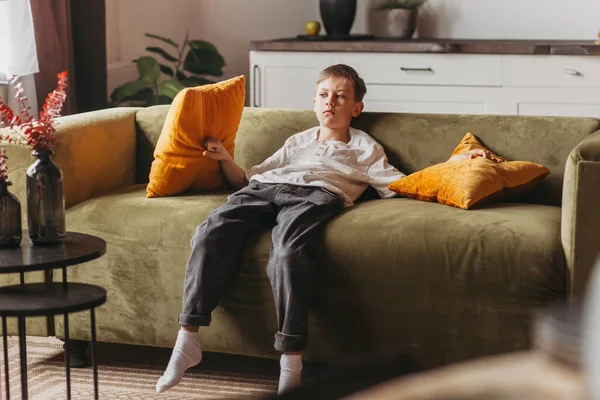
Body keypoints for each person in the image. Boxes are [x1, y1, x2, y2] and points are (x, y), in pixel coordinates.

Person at [155, 64, 489, 395]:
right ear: (314, 102)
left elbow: (402, 183)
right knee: (210, 229)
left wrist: (453, 164)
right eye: (324, 95)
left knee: (287, 253)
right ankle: (188, 338)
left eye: (341, 96)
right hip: (264, 188)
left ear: (356, 108)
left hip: (316, 195)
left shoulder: (364, 147)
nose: (330, 102)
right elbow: (249, 178)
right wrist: (225, 159)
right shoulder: (297, 140)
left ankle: (291, 360)